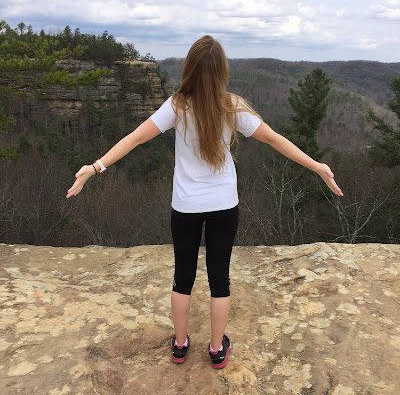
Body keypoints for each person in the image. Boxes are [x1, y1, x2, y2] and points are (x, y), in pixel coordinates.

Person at [66, 35, 344, 369]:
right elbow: (274, 140)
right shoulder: (232, 107)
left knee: (182, 277)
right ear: (222, 71)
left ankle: (180, 345)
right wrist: (317, 166)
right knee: (219, 279)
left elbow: (136, 138)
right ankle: (216, 349)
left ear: (189, 68)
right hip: (224, 206)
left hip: (185, 206)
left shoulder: (177, 106)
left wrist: (95, 167)